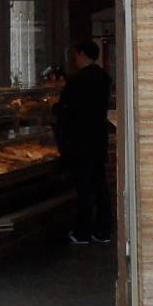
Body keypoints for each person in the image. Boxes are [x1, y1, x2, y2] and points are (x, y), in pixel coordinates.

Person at [54, 40, 114, 244]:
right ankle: (103, 230)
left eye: (76, 54)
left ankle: (82, 232)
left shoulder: (77, 79)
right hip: (98, 138)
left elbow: (66, 108)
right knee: (100, 185)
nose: (75, 59)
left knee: (83, 187)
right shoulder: (104, 77)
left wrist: (54, 110)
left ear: (81, 54)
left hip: (79, 140)